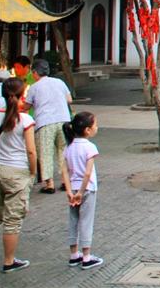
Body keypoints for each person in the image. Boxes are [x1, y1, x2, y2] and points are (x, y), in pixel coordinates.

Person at [0, 78, 37, 273]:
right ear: (22, 96)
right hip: (16, 173)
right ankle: (9, 260)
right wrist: (33, 172)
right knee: (12, 220)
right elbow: (31, 151)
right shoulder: (25, 120)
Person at [21, 59, 71, 194]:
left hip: (45, 122)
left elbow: (26, 106)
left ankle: (49, 184)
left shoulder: (34, 87)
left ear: (35, 72)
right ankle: (65, 181)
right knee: (63, 151)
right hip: (64, 120)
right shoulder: (59, 82)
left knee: (45, 152)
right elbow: (69, 99)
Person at [61, 112, 103, 269]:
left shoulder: (69, 147)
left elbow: (64, 171)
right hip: (87, 189)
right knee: (86, 221)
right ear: (87, 130)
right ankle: (86, 256)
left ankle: (73, 254)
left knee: (73, 220)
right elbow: (87, 172)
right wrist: (81, 191)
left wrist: (70, 192)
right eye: (95, 125)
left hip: (73, 188)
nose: (96, 127)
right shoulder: (90, 147)